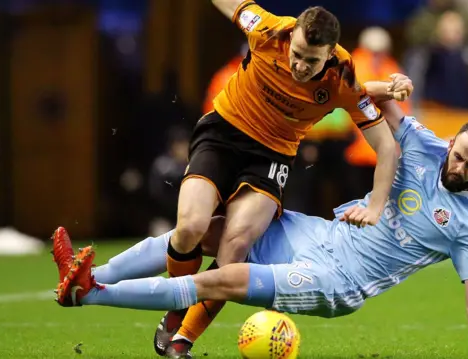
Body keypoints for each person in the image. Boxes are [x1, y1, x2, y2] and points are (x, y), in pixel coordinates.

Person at [51, 1, 405, 357]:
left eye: (311, 61)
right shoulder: (268, 29)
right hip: (223, 135)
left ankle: (180, 338)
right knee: (190, 227)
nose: (299, 66)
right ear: (292, 35)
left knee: (235, 246)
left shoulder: (342, 76)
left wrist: (376, 205)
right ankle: (173, 302)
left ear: (329, 54)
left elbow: (386, 146)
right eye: (296, 54)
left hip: (272, 157)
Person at [52, 93, 468, 359]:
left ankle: (90, 295)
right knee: (208, 231)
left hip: (338, 281)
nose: (456, 165)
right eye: (457, 153)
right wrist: (391, 87)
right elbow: (368, 98)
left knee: (220, 279)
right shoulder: (426, 144)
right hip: (318, 234)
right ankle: (87, 275)